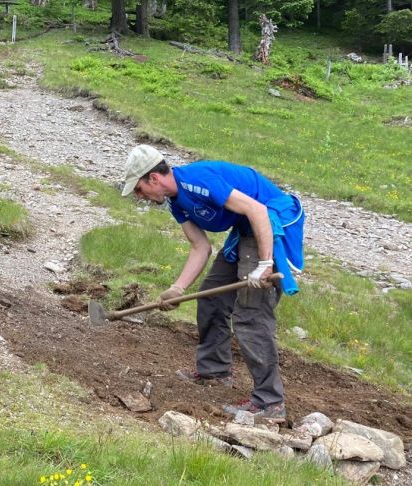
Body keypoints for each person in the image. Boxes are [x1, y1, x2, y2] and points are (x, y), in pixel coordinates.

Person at [120, 145, 304, 422]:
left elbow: (257, 210)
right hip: (245, 229)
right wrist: (177, 288)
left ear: (153, 179)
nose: (140, 196)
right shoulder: (176, 201)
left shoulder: (198, 180)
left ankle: (270, 402)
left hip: (269, 222)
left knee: (251, 316)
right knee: (211, 297)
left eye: (139, 189)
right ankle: (214, 372)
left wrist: (265, 264)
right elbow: (199, 247)